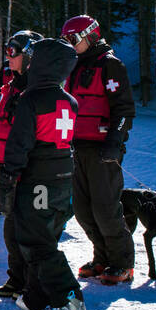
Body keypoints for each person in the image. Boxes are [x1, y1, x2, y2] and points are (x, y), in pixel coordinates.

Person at [0, 38, 86, 310]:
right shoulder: (67, 99)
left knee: (36, 241)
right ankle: (36, 297)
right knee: (44, 236)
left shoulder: (32, 98)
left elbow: (19, 143)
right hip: (63, 176)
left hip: (38, 179)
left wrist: (8, 178)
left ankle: (70, 301)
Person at [61, 15, 136, 285]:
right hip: (78, 146)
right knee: (83, 209)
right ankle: (102, 257)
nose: (70, 45)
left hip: (103, 148)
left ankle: (123, 262)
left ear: (90, 35)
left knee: (105, 209)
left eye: (73, 39)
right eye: (66, 40)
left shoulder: (110, 65)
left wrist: (115, 142)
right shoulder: (75, 66)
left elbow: (125, 109)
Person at [0, 29, 44, 297]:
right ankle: (16, 280)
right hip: (9, 164)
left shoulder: (40, 85)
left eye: (13, 52)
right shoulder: (11, 80)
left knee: (31, 228)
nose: (7, 57)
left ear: (30, 55)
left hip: (30, 167)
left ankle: (35, 283)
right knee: (11, 227)